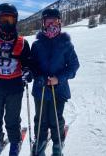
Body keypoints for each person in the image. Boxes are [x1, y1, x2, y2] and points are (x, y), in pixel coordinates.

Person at [0, 3, 32, 156]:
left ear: (15, 21)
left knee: (11, 119)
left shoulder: (22, 43)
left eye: (9, 20)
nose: (6, 23)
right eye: (3, 19)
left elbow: (28, 63)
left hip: (15, 88)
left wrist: (27, 72)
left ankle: (15, 142)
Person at [30, 8, 80, 156]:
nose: (51, 24)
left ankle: (58, 145)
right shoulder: (37, 44)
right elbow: (32, 64)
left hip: (59, 90)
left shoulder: (66, 44)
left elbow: (73, 66)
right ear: (43, 23)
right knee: (40, 119)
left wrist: (59, 78)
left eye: (55, 21)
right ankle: (40, 142)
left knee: (55, 118)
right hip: (40, 88)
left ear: (60, 23)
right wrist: (38, 76)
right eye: (48, 21)